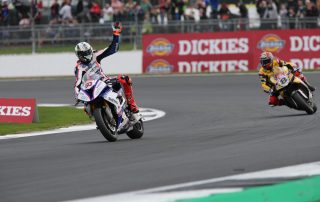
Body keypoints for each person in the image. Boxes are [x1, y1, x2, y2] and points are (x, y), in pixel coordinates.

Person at [74, 22, 140, 122]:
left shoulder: (95, 55)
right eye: (84, 53)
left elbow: (113, 49)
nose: (87, 55)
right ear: (79, 55)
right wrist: (77, 95)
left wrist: (116, 34)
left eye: (88, 52)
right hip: (91, 89)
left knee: (125, 78)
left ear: (91, 50)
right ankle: (103, 120)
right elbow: (78, 83)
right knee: (86, 108)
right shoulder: (79, 67)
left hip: (104, 82)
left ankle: (132, 106)